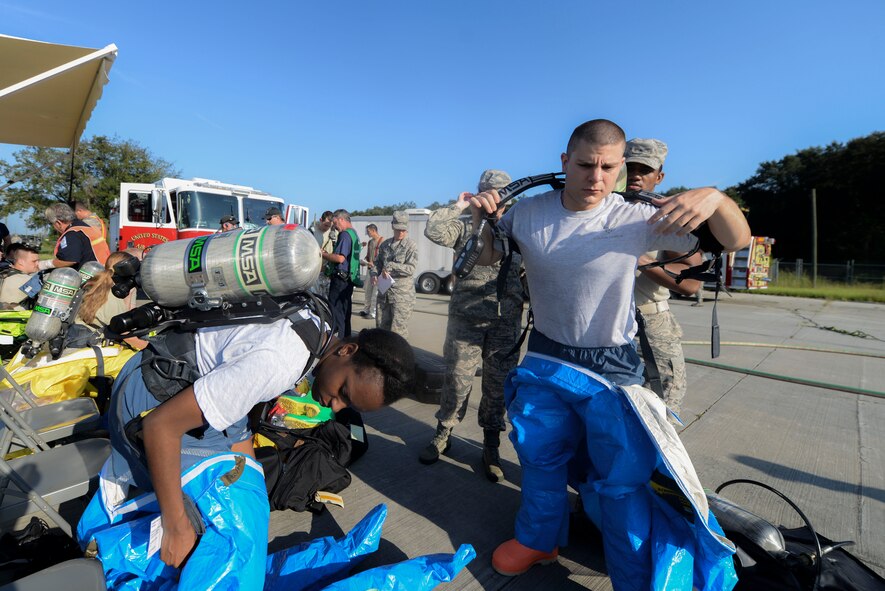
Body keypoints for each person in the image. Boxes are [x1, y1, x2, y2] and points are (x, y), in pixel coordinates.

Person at [465, 119, 751, 586]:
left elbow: (735, 239)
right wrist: (481, 219)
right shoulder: (528, 212)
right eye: (584, 164)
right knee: (539, 459)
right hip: (546, 358)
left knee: (622, 479)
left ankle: (633, 578)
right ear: (564, 162)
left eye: (608, 167)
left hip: (611, 365)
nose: (596, 178)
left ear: (620, 168)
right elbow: (485, 256)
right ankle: (538, 540)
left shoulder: (636, 217)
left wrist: (717, 198)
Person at [99, 307, 415, 580]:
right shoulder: (279, 362)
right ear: (347, 351)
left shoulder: (316, 326)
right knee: (210, 535)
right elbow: (160, 427)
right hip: (143, 406)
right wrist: (176, 526)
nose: (335, 408)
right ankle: (121, 542)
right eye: (343, 393)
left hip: (170, 377)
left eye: (348, 406)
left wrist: (252, 490)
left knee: (253, 498)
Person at [420, 170, 524, 483]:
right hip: (465, 321)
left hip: (505, 322)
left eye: (500, 193)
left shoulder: (519, 226)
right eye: (488, 192)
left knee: (498, 387)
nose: (495, 199)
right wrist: (463, 206)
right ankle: (443, 433)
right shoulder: (465, 226)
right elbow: (433, 230)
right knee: (457, 380)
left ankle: (491, 446)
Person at [625, 138, 703, 418]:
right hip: (599, 328)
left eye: (643, 170)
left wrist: (645, 262)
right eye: (628, 166)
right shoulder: (595, 212)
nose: (635, 175)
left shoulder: (667, 218)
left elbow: (692, 283)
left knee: (661, 412)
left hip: (649, 325)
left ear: (659, 177)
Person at [75, 251, 148, 350]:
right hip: (94, 346)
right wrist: (149, 348)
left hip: (83, 339)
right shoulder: (112, 294)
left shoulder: (97, 285)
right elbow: (125, 334)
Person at [375, 211, 418, 338]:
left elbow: (411, 269)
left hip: (401, 297)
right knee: (381, 329)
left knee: (398, 333)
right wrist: (373, 274)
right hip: (384, 293)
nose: (401, 233)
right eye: (398, 230)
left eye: (403, 230)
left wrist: (393, 266)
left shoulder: (411, 246)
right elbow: (378, 263)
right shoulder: (385, 245)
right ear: (392, 226)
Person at [321, 209, 361, 339]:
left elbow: (340, 258)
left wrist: (323, 254)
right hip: (348, 279)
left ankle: (339, 342)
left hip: (340, 279)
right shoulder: (354, 234)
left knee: (336, 311)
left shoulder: (344, 235)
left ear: (342, 220)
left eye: (335, 222)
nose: (334, 226)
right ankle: (347, 339)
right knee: (345, 312)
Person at [40, 203, 110, 271]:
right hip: (101, 270)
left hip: (92, 276)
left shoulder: (72, 234)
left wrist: (45, 264)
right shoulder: (84, 226)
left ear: (58, 223)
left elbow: (69, 260)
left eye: (52, 224)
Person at [0, 243, 40, 310]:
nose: (37, 264)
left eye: (38, 261)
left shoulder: (4, 273)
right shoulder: (28, 280)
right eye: (34, 261)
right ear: (21, 262)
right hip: (18, 318)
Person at [359, 224, 383, 319]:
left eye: (368, 232)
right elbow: (369, 255)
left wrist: (375, 263)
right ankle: (366, 309)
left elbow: (383, 257)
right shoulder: (370, 242)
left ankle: (373, 313)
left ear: (373, 231)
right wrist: (364, 261)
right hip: (370, 270)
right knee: (368, 291)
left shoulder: (382, 242)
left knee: (375, 293)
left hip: (378, 271)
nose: (367, 234)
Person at [310, 211, 336, 298]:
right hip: (315, 272)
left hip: (328, 272)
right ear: (321, 220)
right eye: (325, 225)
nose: (327, 228)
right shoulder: (312, 231)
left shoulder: (334, 233)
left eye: (329, 226)